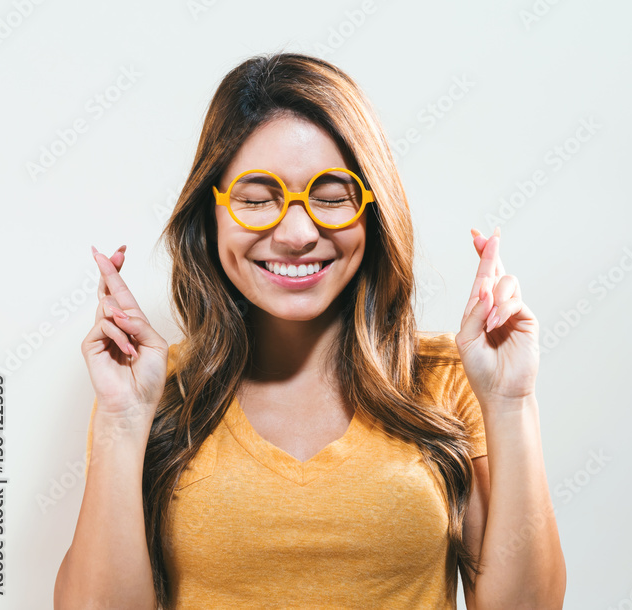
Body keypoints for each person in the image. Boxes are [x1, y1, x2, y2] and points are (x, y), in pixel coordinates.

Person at [53, 53, 565, 609]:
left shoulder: (449, 379)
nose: (297, 233)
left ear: (372, 210)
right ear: (212, 213)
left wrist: (512, 403)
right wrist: (122, 420)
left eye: (329, 198)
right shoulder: (151, 393)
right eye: (255, 200)